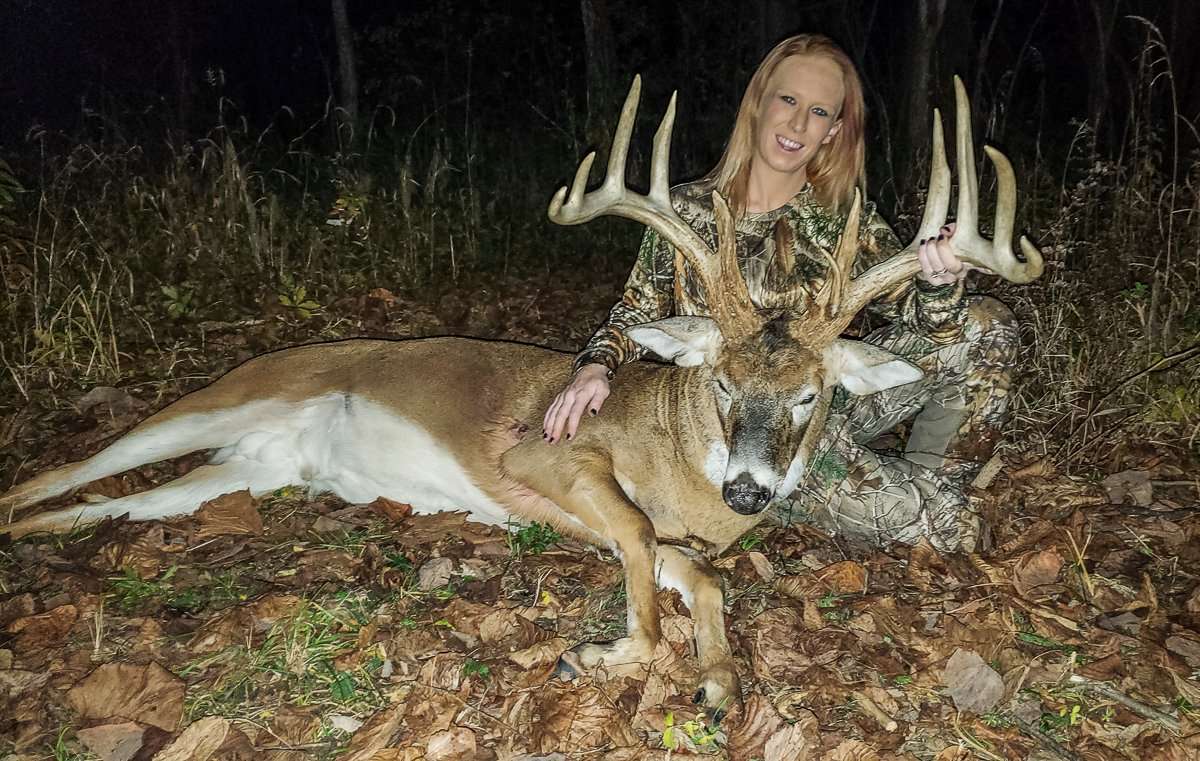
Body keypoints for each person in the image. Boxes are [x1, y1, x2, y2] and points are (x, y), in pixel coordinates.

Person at [542, 34, 1018, 553]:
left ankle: (934, 484)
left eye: (817, 112)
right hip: (728, 429)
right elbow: (637, 311)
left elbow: (935, 329)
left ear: (833, 131)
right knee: (955, 531)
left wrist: (938, 281)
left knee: (986, 323)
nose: (797, 124)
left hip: (820, 403)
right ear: (759, 103)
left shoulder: (842, 222)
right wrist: (595, 364)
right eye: (787, 100)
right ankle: (860, 502)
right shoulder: (684, 211)